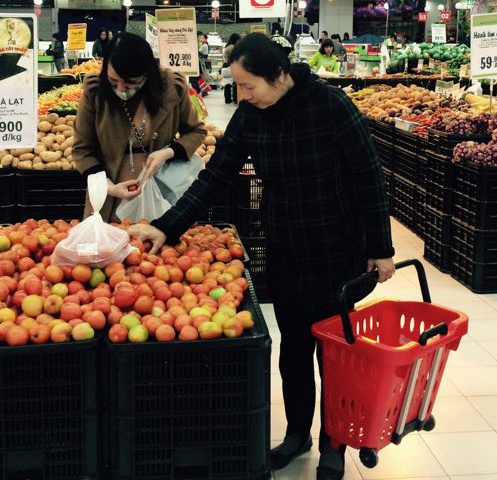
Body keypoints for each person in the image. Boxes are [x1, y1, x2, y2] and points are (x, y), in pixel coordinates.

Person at [127, 33, 395, 480]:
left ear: (279, 75)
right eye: (239, 86)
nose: (242, 94)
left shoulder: (330, 105)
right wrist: (167, 225)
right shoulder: (252, 115)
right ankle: (297, 434)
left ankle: (334, 443)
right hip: (286, 248)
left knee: (334, 356)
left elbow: (368, 177)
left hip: (336, 249)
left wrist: (380, 249)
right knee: (294, 352)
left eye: (248, 85)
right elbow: (216, 175)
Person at [73, 32, 207, 222]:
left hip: (160, 197)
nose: (121, 89)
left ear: (146, 74)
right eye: (113, 81)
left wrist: (167, 153)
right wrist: (108, 186)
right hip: (109, 201)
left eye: (130, 83)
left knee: (157, 238)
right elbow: (82, 149)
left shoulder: (172, 88)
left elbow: (196, 131)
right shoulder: (95, 92)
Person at [223, 33, 240, 104]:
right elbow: (234, 57)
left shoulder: (228, 46)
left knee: (227, 84)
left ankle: (227, 99)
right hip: (229, 65)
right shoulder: (232, 47)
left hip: (225, 65)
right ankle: (234, 99)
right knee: (233, 83)